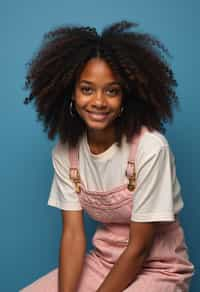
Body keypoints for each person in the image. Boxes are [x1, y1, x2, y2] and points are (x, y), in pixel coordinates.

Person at [20, 20, 194, 292]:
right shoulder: (66, 152)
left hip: (159, 268)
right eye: (87, 89)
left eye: (111, 90)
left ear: (126, 97)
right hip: (103, 263)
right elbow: (74, 235)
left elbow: (139, 248)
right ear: (71, 94)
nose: (98, 102)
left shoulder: (150, 148)